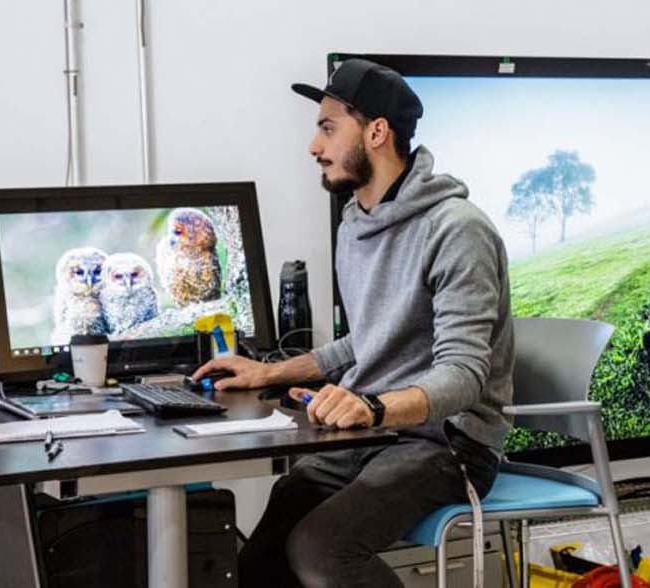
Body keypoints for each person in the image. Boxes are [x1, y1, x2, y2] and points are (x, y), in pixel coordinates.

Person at [194, 58, 514, 587]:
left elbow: (464, 373)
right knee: (261, 554)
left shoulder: (457, 231)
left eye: (327, 128)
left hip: (449, 443)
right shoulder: (355, 225)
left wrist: (372, 405)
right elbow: (365, 342)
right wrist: (266, 373)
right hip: (381, 432)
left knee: (321, 551)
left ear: (377, 132)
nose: (313, 147)